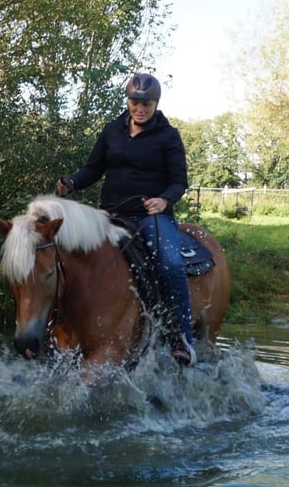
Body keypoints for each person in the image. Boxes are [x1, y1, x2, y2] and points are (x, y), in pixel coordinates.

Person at [55, 72, 196, 366]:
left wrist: (165, 199)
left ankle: (181, 337)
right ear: (128, 102)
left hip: (149, 216)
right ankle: (57, 329)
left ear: (156, 104)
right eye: (135, 102)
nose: (140, 108)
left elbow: (179, 181)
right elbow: (93, 169)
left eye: (147, 103)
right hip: (110, 214)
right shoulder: (112, 131)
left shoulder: (168, 136)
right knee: (71, 254)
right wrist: (73, 182)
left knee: (170, 263)